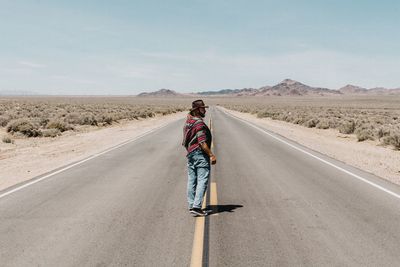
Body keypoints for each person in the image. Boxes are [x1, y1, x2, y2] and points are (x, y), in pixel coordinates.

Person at [182, 99, 217, 216]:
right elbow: (202, 142)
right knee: (202, 180)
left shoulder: (189, 122)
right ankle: (197, 207)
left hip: (190, 154)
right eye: (203, 109)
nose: (205, 111)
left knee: (192, 180)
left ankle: (192, 205)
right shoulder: (199, 124)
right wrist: (211, 155)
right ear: (197, 110)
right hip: (200, 154)